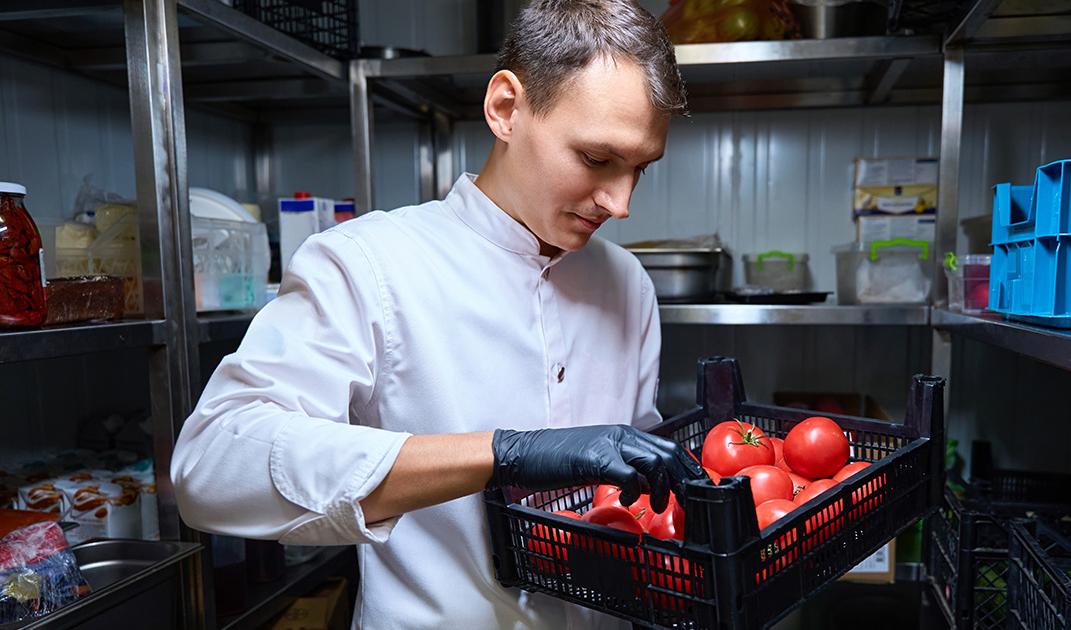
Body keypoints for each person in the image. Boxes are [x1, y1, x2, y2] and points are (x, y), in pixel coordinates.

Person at [170, 1, 702, 627]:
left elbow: (637, 497)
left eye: (640, 168)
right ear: (505, 108)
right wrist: (503, 454)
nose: (621, 203)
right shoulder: (368, 264)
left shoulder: (627, 284)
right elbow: (209, 467)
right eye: (596, 159)